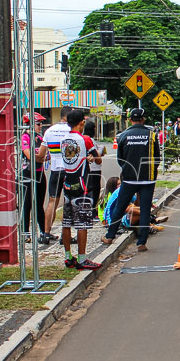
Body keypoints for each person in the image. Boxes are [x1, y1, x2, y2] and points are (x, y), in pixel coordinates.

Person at [101, 107, 160, 251]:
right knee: (146, 210)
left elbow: (120, 159)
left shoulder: (122, 136)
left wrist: (127, 170)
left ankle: (110, 236)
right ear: (143, 119)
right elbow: (157, 158)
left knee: (120, 207)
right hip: (147, 178)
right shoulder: (151, 135)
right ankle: (141, 242)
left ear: (130, 120)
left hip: (129, 178)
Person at [59, 109, 101, 270]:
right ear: (82, 122)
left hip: (67, 183)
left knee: (67, 222)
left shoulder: (64, 140)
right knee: (82, 223)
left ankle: (68, 257)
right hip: (82, 185)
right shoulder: (85, 140)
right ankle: (82, 259)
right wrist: (91, 157)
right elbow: (97, 157)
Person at [38, 108, 72, 245]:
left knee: (52, 202)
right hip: (69, 170)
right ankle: (66, 235)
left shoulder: (49, 131)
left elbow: (41, 154)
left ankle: (46, 233)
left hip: (55, 170)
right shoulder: (71, 131)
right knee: (69, 202)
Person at [20, 113, 47, 242]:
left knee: (40, 204)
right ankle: (26, 232)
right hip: (27, 174)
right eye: (38, 124)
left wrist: (40, 156)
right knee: (27, 204)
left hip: (40, 173)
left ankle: (43, 231)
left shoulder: (40, 138)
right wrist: (40, 156)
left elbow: (47, 155)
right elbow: (29, 155)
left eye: (41, 124)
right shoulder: (24, 137)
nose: (40, 126)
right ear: (30, 124)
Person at [83, 120, 105, 209]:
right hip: (94, 169)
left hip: (88, 169)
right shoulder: (90, 140)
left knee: (89, 190)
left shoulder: (83, 139)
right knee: (95, 190)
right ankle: (92, 210)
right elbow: (97, 157)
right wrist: (101, 151)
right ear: (94, 129)